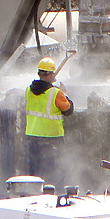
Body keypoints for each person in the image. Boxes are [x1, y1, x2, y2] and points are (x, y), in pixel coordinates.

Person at [25, 56, 74, 187]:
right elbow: (68, 109)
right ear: (51, 74)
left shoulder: (28, 91)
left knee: (35, 175)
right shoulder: (56, 93)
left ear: (39, 73)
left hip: (32, 138)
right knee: (55, 175)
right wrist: (64, 94)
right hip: (52, 139)